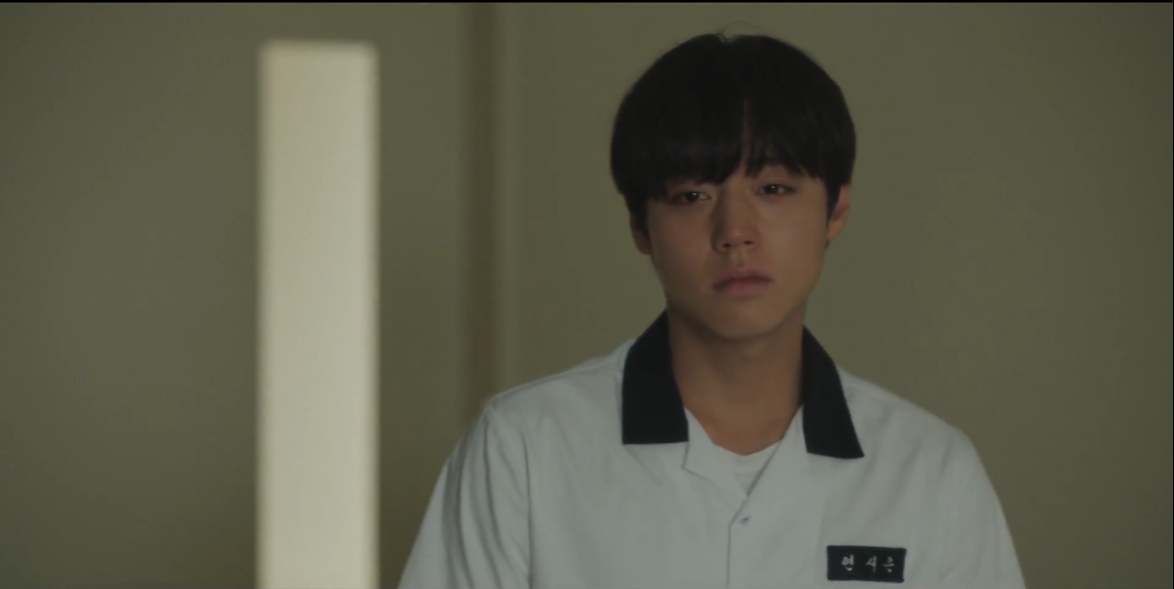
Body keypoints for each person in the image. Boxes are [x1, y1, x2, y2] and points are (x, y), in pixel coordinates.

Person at [399, 32, 1025, 589]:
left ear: (835, 210)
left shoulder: (929, 468)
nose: (735, 232)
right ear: (640, 226)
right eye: (692, 195)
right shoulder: (524, 448)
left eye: (773, 189)